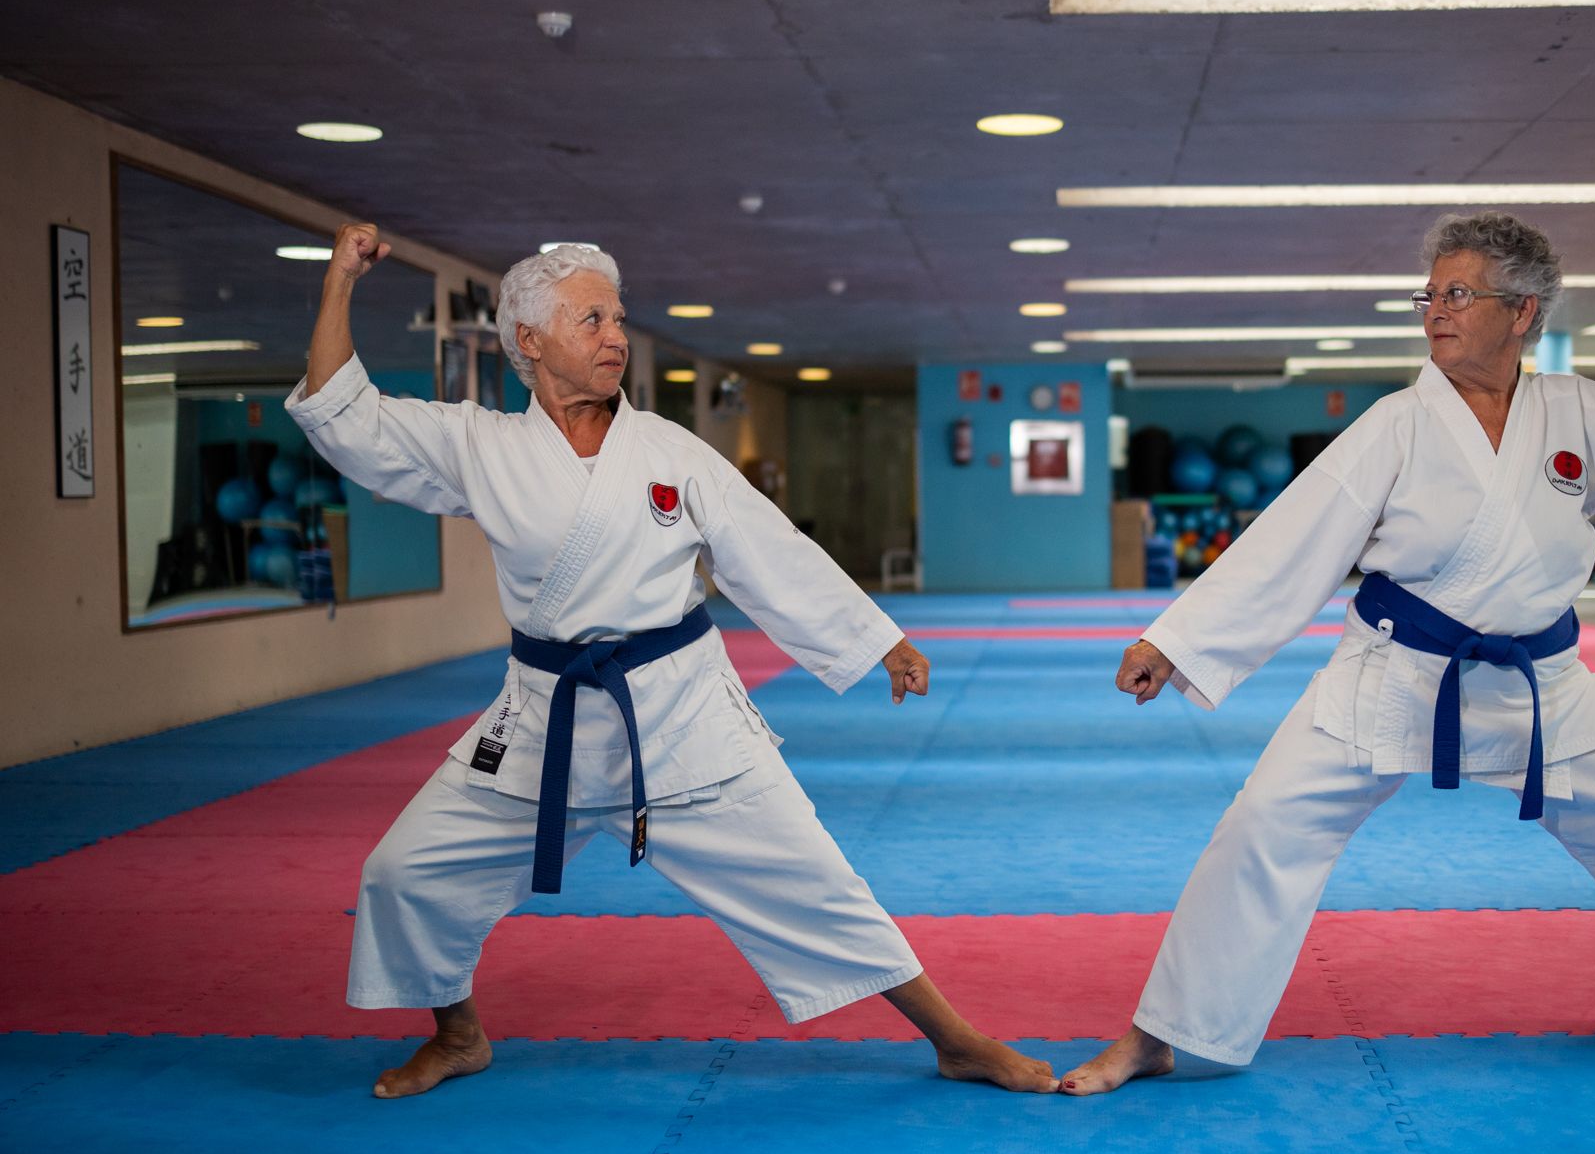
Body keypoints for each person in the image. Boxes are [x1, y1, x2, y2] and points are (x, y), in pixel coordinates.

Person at [289, 225, 1057, 1098]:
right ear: (530, 342)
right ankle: (459, 1034)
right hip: (546, 721)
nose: (616, 335)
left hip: (681, 718)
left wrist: (877, 637)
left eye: (618, 318)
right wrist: (339, 280)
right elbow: (345, 417)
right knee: (405, 871)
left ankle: (955, 1038)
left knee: (817, 883)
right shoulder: (481, 445)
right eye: (592, 319)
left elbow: (766, 548)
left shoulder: (669, 453)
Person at [1062, 212, 1595, 1095]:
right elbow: (1295, 538)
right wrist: (1177, 640)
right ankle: (1166, 1033)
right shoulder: (1398, 423)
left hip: (1540, 683)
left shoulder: (1579, 412)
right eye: (1428, 294)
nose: (1434, 310)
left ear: (1522, 311)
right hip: (1394, 675)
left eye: (1457, 294)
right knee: (1261, 830)